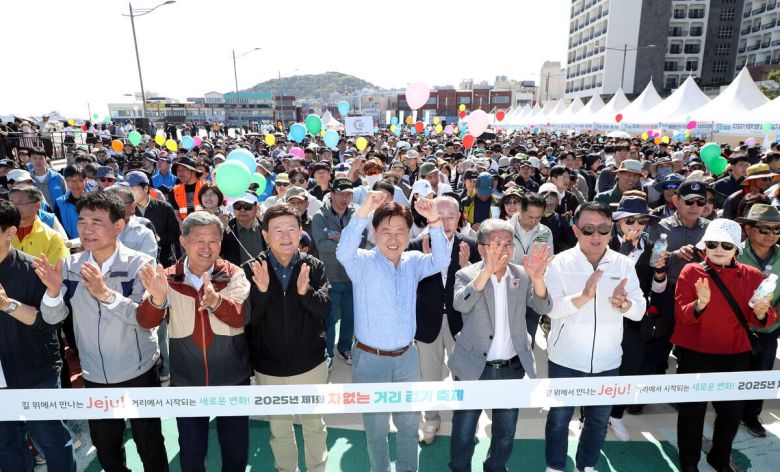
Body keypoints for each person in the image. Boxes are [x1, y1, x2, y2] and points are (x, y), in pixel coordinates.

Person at [35, 191, 168, 471]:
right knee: (107, 448)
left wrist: (106, 294)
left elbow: (144, 318)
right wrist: (53, 291)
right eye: (82, 221)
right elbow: (53, 319)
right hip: (94, 375)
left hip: (139, 372)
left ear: (118, 227)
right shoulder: (71, 266)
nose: (87, 229)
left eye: (97, 221)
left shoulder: (140, 265)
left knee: (150, 444)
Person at [336, 191, 448, 472]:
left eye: (400, 230)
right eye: (385, 230)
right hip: (370, 359)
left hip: (407, 358)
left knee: (409, 426)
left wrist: (434, 219)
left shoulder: (413, 262)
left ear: (409, 232)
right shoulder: (361, 262)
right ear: (373, 232)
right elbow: (342, 251)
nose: (393, 237)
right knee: (376, 431)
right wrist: (365, 210)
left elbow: (441, 260)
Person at [137, 211, 251, 471]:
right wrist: (155, 299)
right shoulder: (165, 277)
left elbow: (241, 317)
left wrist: (216, 302)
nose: (206, 247)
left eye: (213, 240)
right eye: (199, 239)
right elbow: (145, 321)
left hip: (232, 379)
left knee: (235, 452)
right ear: (183, 241)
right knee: (190, 453)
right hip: (186, 381)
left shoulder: (234, 274)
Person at [543, 202, 646, 472]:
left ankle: (585, 465)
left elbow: (639, 310)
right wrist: (584, 297)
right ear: (575, 230)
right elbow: (551, 309)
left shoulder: (623, 263)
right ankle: (555, 466)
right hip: (564, 359)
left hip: (608, 360)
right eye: (588, 229)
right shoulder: (559, 263)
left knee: (599, 420)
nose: (596, 236)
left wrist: (624, 305)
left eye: (603, 229)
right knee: (559, 418)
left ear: (612, 230)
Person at [448, 220, 552, 472]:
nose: (504, 250)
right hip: (474, 366)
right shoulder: (467, 274)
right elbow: (460, 304)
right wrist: (486, 272)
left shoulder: (522, 274)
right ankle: (460, 468)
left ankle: (495, 467)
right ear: (482, 248)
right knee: (464, 429)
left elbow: (544, 307)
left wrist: (538, 279)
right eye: (496, 244)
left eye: (508, 244)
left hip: (510, 367)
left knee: (505, 432)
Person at [673, 218, 776, 472]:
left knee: (731, 413)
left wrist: (763, 312)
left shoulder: (753, 275)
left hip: (736, 353)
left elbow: (762, 318)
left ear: (736, 249)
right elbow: (681, 316)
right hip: (696, 353)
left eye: (726, 245)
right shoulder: (691, 272)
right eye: (712, 243)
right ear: (703, 246)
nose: (719, 249)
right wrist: (700, 304)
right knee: (691, 414)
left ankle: (719, 457)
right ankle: (689, 463)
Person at [246, 203, 331, 472]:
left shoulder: (313, 266)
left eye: (291, 229)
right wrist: (260, 292)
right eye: (278, 230)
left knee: (314, 425)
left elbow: (325, 308)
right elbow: (246, 319)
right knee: (279, 427)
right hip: (269, 367)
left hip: (310, 364)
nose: (285, 236)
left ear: (300, 232)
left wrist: (304, 293)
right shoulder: (250, 268)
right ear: (265, 235)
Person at [0, 199, 76, 472]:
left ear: (9, 232)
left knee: (52, 441)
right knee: (7, 446)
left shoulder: (34, 270)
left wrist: (7, 304)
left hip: (35, 374)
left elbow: (49, 323)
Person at [408, 196, 479, 444]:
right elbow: (407, 286)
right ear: (431, 216)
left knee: (465, 373)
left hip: (462, 322)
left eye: (451, 215)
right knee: (429, 375)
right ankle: (431, 419)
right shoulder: (416, 246)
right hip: (427, 321)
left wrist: (467, 266)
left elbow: (481, 289)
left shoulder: (472, 245)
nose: (446, 221)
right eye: (441, 215)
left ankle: (466, 421)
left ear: (460, 216)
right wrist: (425, 263)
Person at [606, 196, 667, 440]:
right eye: (630, 219)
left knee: (630, 367)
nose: (636, 225)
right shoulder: (603, 242)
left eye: (642, 220)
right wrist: (624, 250)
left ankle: (616, 415)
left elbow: (656, 290)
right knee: (596, 367)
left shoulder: (653, 248)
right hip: (602, 315)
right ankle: (590, 417)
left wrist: (661, 272)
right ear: (618, 221)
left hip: (634, 317)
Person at [736, 204, 780, 437]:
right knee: (732, 373)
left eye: (776, 229)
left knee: (761, 374)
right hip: (735, 327)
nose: (771, 234)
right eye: (764, 229)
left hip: (769, 327)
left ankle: (751, 416)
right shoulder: (732, 252)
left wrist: (773, 314)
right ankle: (729, 412)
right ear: (748, 229)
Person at [312, 177, 364, 368]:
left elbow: (363, 241)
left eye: (349, 194)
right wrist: (348, 241)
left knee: (350, 316)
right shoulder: (320, 216)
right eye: (341, 193)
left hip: (352, 275)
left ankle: (345, 348)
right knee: (329, 318)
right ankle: (328, 354)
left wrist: (339, 238)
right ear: (331, 194)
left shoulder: (357, 214)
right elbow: (321, 245)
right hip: (330, 276)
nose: (345, 198)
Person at [127, 170, 181, 266]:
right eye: (127, 189)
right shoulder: (126, 210)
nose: (129, 192)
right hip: (136, 264)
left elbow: (176, 234)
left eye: (132, 188)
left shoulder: (165, 208)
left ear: (145, 188)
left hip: (164, 263)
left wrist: (159, 239)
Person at [9, 185, 68, 265]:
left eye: (20, 202)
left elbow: (57, 272)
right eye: (11, 202)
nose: (14, 207)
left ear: (37, 206)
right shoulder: (3, 232)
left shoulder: (52, 238)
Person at [105, 185, 158, 260]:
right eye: (106, 204)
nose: (112, 208)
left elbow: (145, 267)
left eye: (118, 203)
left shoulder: (144, 234)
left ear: (133, 207)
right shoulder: (92, 230)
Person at [220, 192, 266, 266]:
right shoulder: (225, 229)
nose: (242, 210)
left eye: (247, 206)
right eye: (237, 206)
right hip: (235, 276)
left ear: (256, 207)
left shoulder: (266, 229)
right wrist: (219, 232)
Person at [53, 165, 88, 241]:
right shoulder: (59, 203)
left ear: (86, 181)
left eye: (80, 180)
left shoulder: (96, 201)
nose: (75, 184)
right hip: (71, 247)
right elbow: (59, 228)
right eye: (70, 180)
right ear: (65, 181)